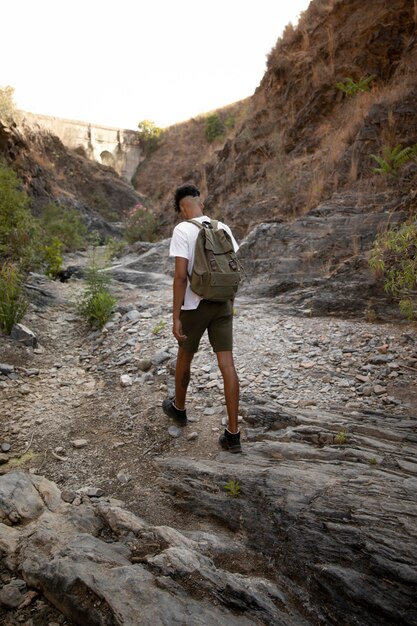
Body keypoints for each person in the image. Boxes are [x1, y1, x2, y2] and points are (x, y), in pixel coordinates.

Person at [162, 183, 242, 453]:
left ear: (181, 209)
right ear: (200, 203)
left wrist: (176, 316)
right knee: (227, 365)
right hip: (222, 304)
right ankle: (233, 434)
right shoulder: (224, 228)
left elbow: (180, 276)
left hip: (194, 306)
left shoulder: (182, 229)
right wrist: (229, 303)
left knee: (185, 356)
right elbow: (233, 269)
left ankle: (180, 409)